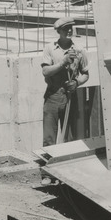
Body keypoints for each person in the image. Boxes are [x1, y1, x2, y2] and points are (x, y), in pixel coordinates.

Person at [41, 16, 89, 148]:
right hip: (53, 96)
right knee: (49, 138)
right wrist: (63, 62)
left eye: (70, 28)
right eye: (65, 29)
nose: (69, 31)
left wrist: (77, 83)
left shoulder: (79, 50)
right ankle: (49, 159)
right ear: (58, 31)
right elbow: (45, 71)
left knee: (70, 138)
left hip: (70, 97)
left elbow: (85, 74)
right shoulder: (50, 48)